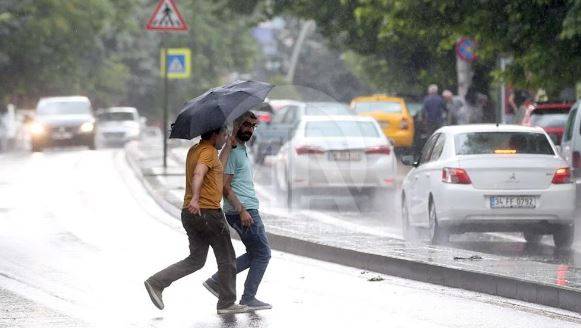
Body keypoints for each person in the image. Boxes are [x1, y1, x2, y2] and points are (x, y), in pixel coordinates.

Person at [144, 126, 250, 315]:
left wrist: (228, 146)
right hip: (208, 212)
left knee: (196, 260)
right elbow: (199, 173)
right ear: (214, 135)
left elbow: (217, 170)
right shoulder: (207, 153)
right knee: (227, 258)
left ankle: (156, 282)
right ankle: (226, 303)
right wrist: (195, 198)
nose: (225, 137)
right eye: (223, 135)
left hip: (190, 214)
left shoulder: (196, 150)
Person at [203, 111, 273, 311]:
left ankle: (217, 281)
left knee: (255, 253)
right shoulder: (233, 151)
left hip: (245, 208)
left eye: (253, 126)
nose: (250, 129)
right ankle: (247, 297)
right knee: (263, 254)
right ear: (236, 125)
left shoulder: (240, 148)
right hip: (242, 210)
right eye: (246, 125)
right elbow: (224, 186)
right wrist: (242, 210)